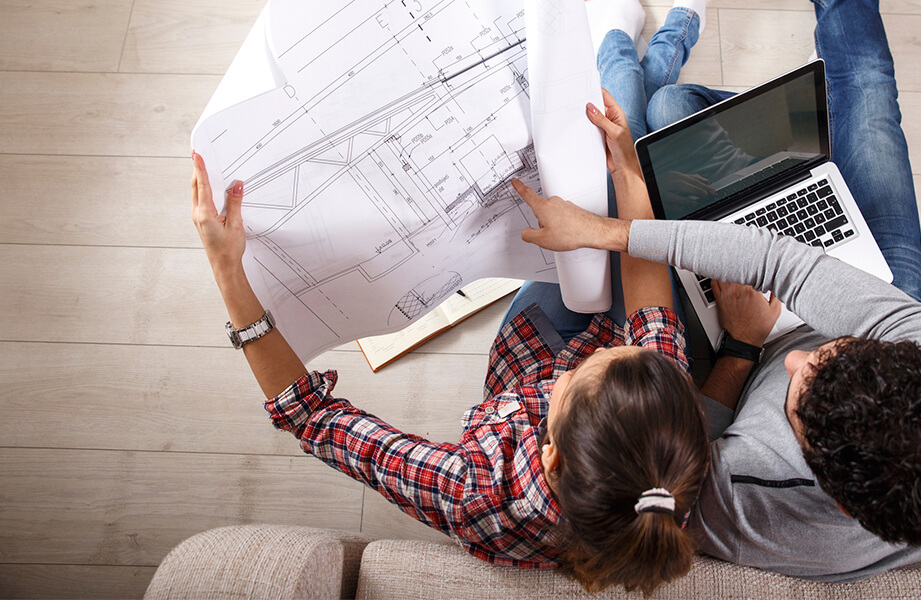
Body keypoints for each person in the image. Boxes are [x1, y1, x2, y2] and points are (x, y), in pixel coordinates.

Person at [189, 4, 718, 594]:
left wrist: (229, 271)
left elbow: (311, 417)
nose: (614, 344)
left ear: (548, 456)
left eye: (588, 369)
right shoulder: (667, 438)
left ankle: (647, 35)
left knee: (622, 96)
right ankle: (658, 43)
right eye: (630, 352)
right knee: (623, 144)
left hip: (530, 352)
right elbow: (649, 319)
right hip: (589, 385)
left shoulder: (472, 489)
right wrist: (627, 177)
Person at [511, 0, 921, 584]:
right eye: (837, 351)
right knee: (867, 91)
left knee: (662, 118)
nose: (800, 354)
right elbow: (786, 265)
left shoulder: (751, 510)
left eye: (798, 391)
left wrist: (745, 347)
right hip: (881, 290)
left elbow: (671, 431)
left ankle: (743, 118)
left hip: (739, 343)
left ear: (840, 499)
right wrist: (606, 232)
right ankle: (790, 125)